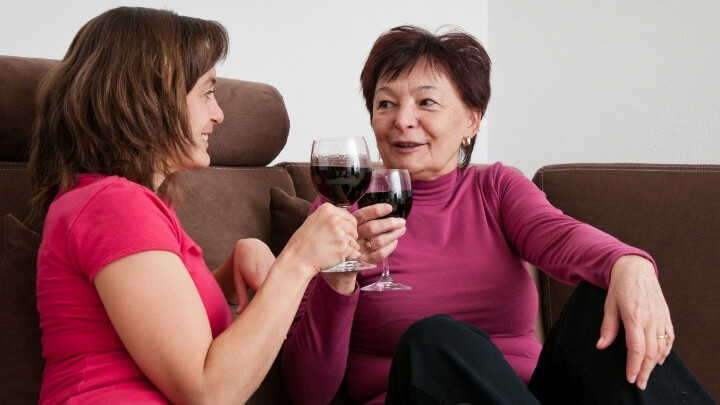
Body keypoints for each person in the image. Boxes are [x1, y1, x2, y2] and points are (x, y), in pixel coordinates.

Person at [280, 25, 714, 404]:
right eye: (386, 103)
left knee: (601, 296)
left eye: (426, 102)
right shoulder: (339, 210)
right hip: (419, 395)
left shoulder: (496, 188)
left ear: (472, 120)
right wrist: (340, 276)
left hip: (531, 394)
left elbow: (559, 235)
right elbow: (308, 392)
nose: (402, 120)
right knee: (435, 341)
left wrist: (629, 264)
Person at [27, 7, 380, 404]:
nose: (219, 114)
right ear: (149, 96)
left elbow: (154, 329)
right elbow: (209, 392)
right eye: (207, 92)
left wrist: (225, 277)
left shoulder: (113, 202)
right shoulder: (115, 205)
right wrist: (298, 260)